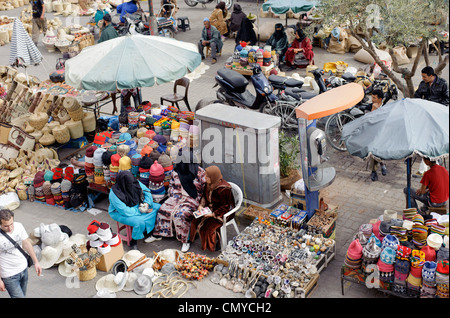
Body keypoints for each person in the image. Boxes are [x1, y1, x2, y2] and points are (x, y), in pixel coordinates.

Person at [146, 150, 206, 252]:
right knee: (162, 209)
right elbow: (172, 186)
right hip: (177, 196)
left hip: (193, 199)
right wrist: (174, 197)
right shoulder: (176, 171)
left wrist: (201, 203)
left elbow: (205, 189)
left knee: (181, 214)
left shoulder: (199, 172)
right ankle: (158, 234)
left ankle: (185, 240)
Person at [108, 171, 161, 250]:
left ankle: (151, 230)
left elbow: (147, 191)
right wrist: (140, 211)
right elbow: (124, 211)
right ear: (124, 184)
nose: (132, 185)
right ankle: (134, 240)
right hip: (118, 213)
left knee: (158, 207)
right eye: (129, 184)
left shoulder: (134, 182)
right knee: (139, 222)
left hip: (136, 205)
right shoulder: (114, 194)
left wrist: (146, 203)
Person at [190, 166, 235, 252]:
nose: (205, 178)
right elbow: (204, 196)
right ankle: (197, 237)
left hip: (222, 212)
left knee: (209, 227)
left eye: (207, 176)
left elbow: (226, 206)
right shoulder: (208, 184)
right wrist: (201, 206)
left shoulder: (224, 189)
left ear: (213, 177)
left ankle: (215, 244)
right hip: (211, 208)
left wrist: (212, 214)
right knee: (195, 219)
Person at [0, 209, 42, 298]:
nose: (10, 228)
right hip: (9, 275)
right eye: (6, 226)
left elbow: (26, 243)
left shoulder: (19, 226)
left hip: (23, 269)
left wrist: (36, 262)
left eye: (11, 224)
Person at [365, 89, 387, 181]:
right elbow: (366, 120)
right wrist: (373, 111)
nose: (372, 100)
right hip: (372, 133)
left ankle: (382, 163)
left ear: (380, 99)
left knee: (380, 151)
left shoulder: (386, 108)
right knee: (373, 151)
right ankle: (374, 171)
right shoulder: (369, 107)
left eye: (374, 98)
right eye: (372, 97)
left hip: (383, 133)